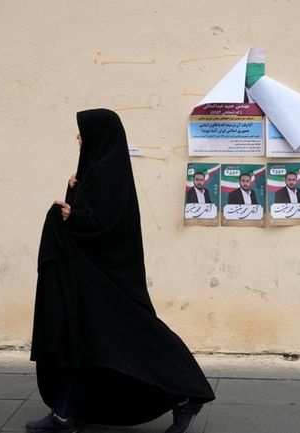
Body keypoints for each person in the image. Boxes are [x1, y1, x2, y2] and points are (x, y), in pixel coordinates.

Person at [28, 108, 214, 433]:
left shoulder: (106, 173)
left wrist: (76, 214)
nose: (78, 138)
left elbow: (106, 224)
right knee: (85, 341)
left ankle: (186, 392)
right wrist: (74, 190)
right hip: (93, 278)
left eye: (82, 132)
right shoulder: (97, 170)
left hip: (109, 279)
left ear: (98, 135)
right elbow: (89, 215)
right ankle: (66, 413)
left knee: (134, 339)